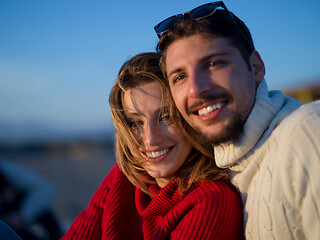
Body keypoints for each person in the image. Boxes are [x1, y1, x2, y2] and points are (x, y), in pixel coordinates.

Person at [154, 1, 320, 239]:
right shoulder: (219, 168)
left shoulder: (307, 131)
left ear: (256, 66)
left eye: (213, 63)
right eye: (180, 77)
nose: (196, 90)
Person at [61, 52, 244, 239]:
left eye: (166, 117)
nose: (150, 139)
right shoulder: (124, 177)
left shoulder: (211, 200)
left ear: (188, 117)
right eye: (134, 122)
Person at [0, 157, 62, 240]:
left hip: (13, 218)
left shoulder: (5, 171)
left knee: (45, 215)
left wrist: (22, 216)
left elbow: (46, 189)